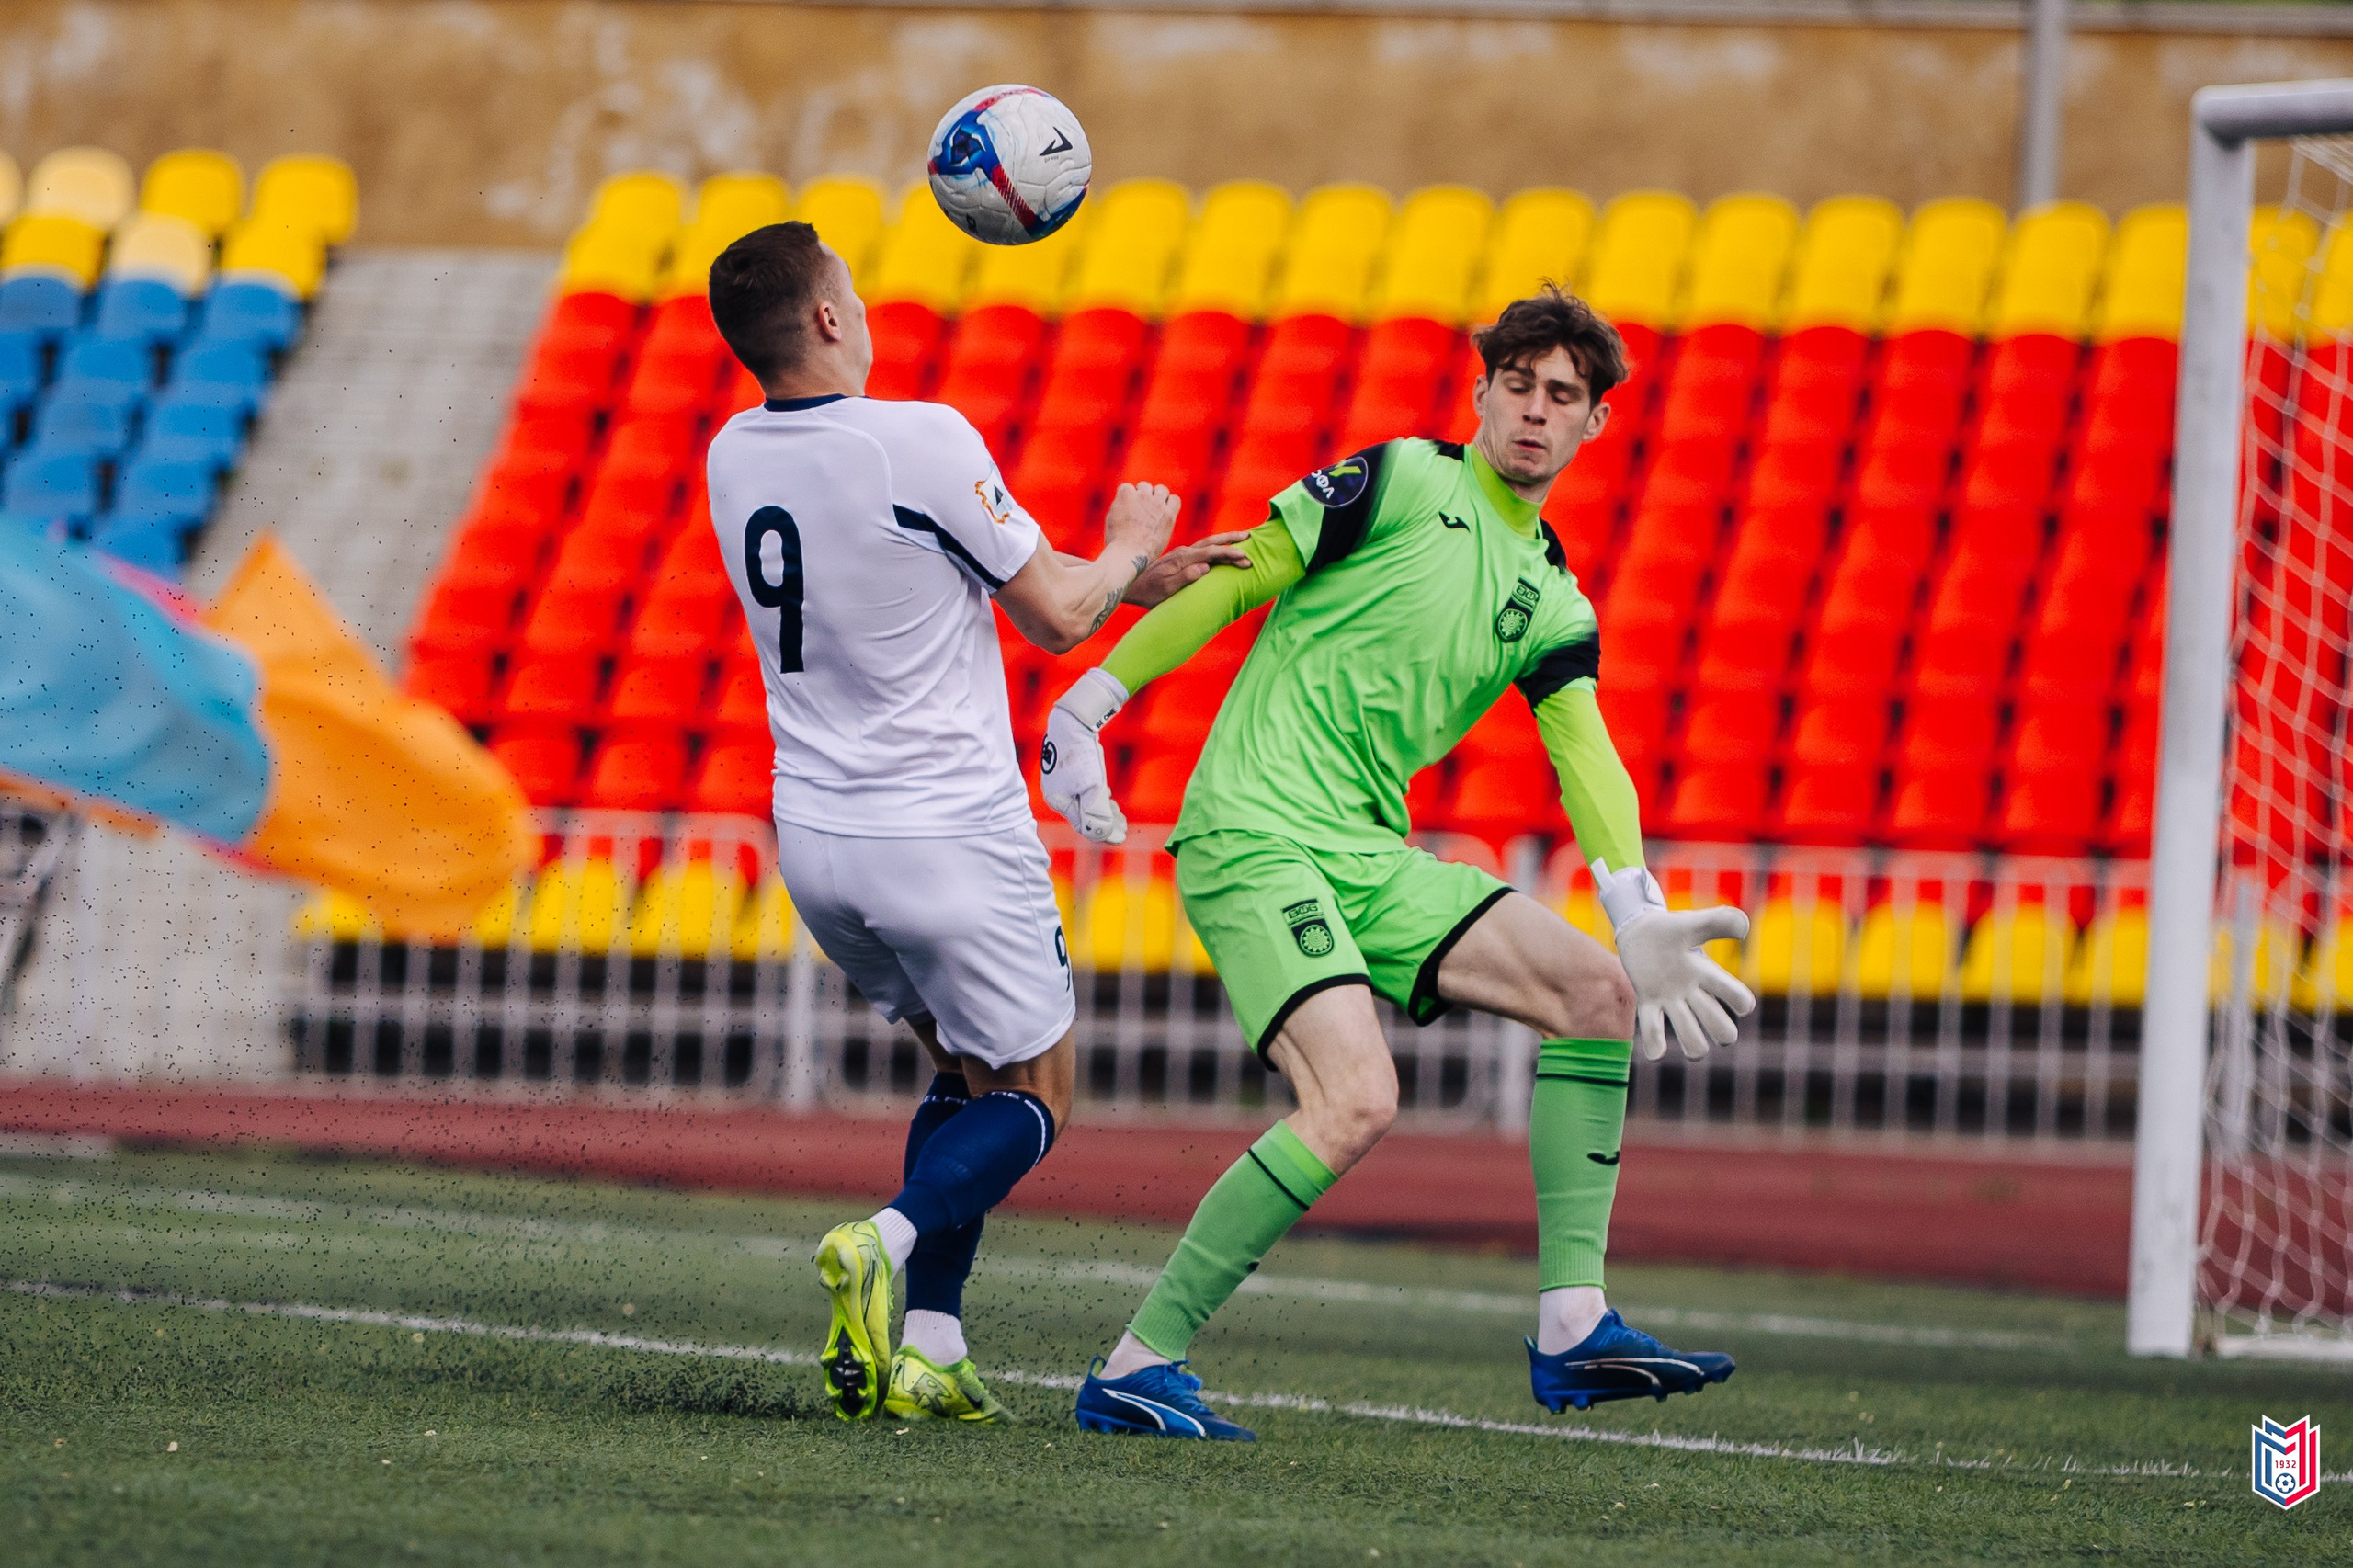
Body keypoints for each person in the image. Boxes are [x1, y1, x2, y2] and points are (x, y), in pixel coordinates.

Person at [1039, 287, 1756, 1441]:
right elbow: (1241, 573)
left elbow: (1586, 755)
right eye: (1516, 385)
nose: (1533, 409)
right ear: (1481, 393)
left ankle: (1573, 1326)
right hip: (1254, 828)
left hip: (1369, 853)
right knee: (1357, 1097)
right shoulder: (1403, 477)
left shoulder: (1554, 597)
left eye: (1560, 394)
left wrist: (1634, 909)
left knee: (1597, 993)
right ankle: (1137, 1361)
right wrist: (1090, 701)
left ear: (1594, 423)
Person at [702, 221, 1245, 1425]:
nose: (864, 307)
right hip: (946, 832)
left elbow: (929, 566)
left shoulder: (731, 454)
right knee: (1039, 1092)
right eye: (852, 290)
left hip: (818, 839)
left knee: (961, 1066)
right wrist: (1130, 544)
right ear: (830, 317)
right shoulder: (923, 436)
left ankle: (932, 1346)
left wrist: (1130, 579)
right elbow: (1054, 618)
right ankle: (884, 1240)